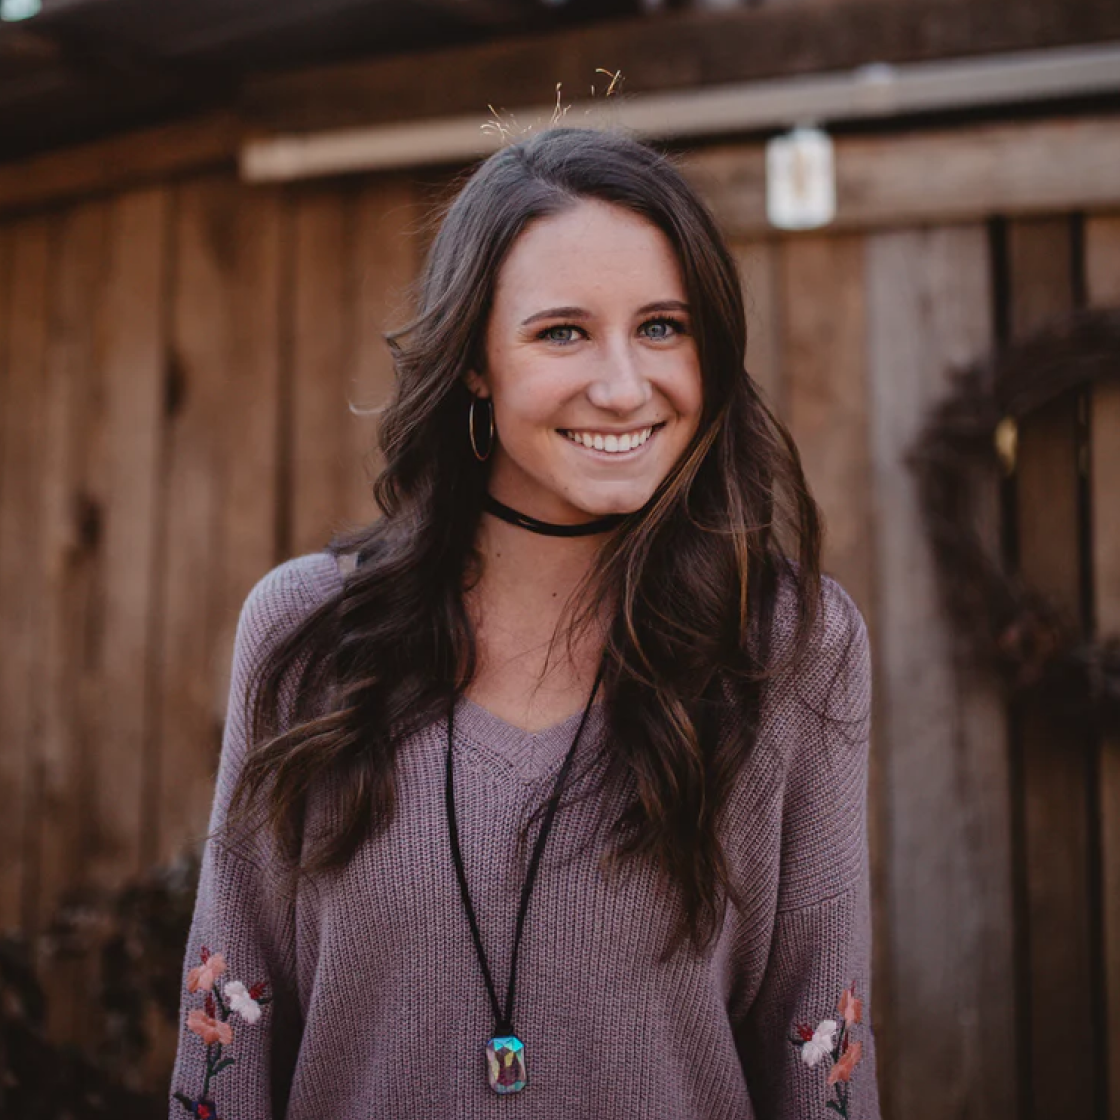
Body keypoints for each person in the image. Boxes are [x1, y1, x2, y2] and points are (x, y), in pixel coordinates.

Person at [169, 126, 880, 1120]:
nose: (625, 385)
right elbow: (228, 1038)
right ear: (474, 361)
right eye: (562, 332)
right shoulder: (309, 634)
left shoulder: (790, 649)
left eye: (664, 326)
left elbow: (819, 1044)